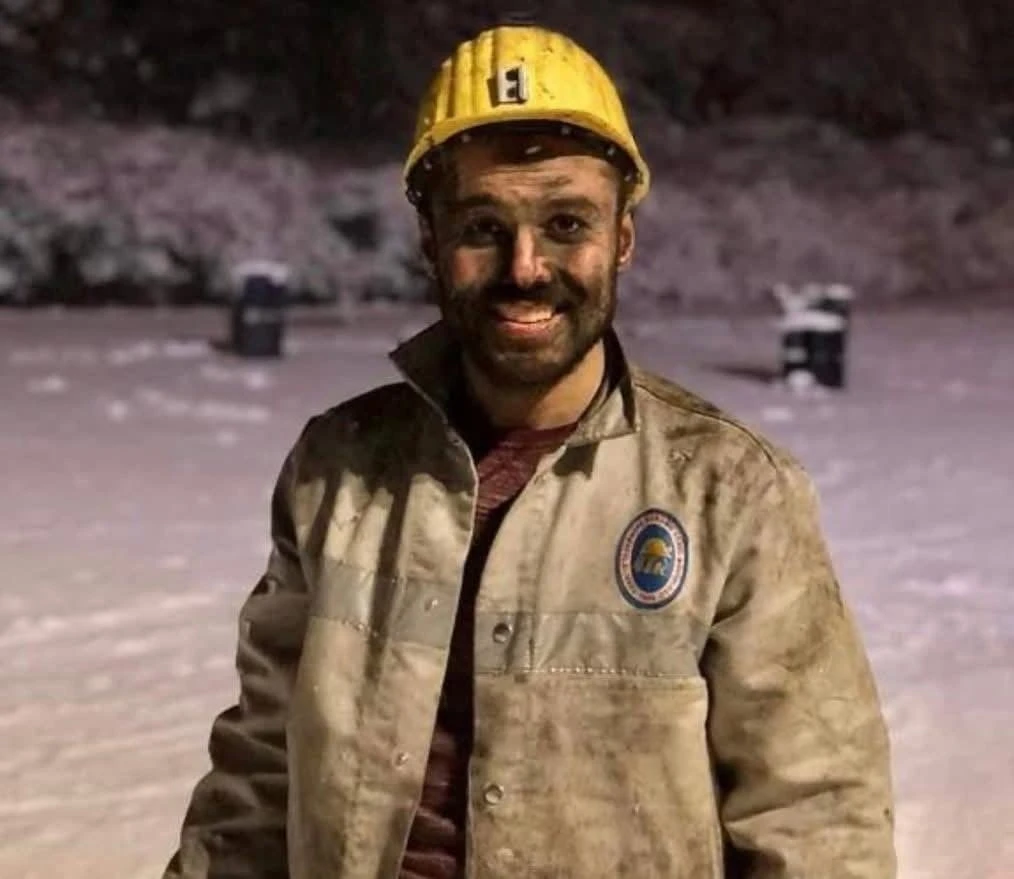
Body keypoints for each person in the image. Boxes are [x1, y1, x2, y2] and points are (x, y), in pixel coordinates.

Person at [164, 23, 897, 879]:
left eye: (565, 222)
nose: (525, 266)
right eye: (483, 225)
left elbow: (817, 819)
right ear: (430, 241)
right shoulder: (340, 470)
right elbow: (260, 773)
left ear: (622, 237)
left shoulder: (728, 490)